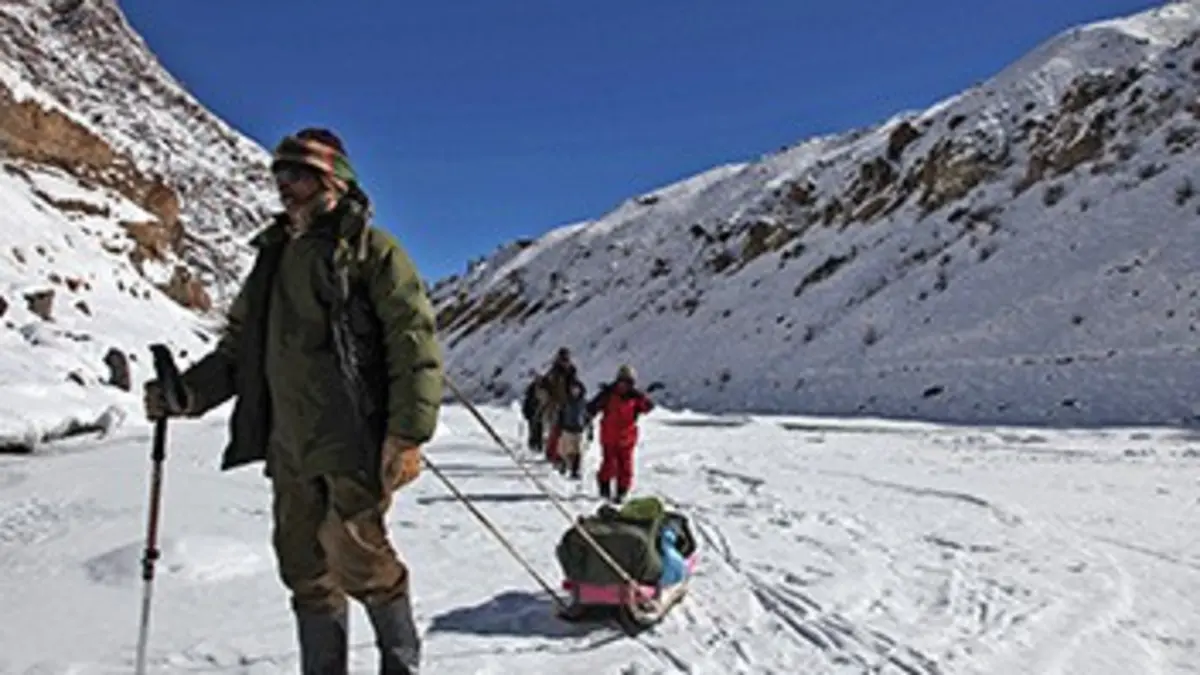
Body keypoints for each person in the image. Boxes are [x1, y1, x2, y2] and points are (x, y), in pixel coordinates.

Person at [142, 127, 442, 675]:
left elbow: (414, 344)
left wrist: (407, 434)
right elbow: (239, 350)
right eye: (280, 175)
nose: (285, 186)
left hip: (354, 439)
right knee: (303, 565)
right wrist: (186, 393)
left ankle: (402, 666)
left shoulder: (373, 253)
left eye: (298, 175)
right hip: (290, 444)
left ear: (334, 181)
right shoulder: (272, 261)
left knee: (359, 555)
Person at [586, 364, 654, 503]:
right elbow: (591, 408)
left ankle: (621, 492)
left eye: (628, 382)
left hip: (627, 438)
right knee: (609, 465)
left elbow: (648, 408)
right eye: (622, 381)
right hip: (609, 437)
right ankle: (604, 487)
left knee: (625, 467)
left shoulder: (634, 397)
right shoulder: (608, 394)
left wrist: (642, 397)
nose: (624, 385)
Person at [541, 347, 578, 467]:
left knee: (566, 432)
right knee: (556, 430)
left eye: (566, 359)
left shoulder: (572, 371)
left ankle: (560, 455)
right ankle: (552, 453)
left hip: (568, 404)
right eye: (563, 359)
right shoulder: (554, 371)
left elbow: (575, 385)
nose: (565, 362)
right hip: (555, 403)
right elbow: (547, 384)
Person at [555, 379, 589, 479]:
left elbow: (587, 416)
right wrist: (559, 426)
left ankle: (575, 470)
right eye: (573, 389)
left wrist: (589, 428)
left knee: (578, 451)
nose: (575, 391)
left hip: (579, 429)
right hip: (567, 428)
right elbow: (560, 414)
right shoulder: (565, 401)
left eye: (576, 389)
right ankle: (564, 464)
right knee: (567, 450)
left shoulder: (583, 402)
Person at [521, 373, 547, 452]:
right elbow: (527, 402)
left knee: (540, 429)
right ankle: (532, 445)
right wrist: (526, 413)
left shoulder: (544, 389)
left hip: (540, 413)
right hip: (532, 413)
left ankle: (539, 446)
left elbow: (546, 402)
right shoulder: (531, 390)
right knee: (533, 429)